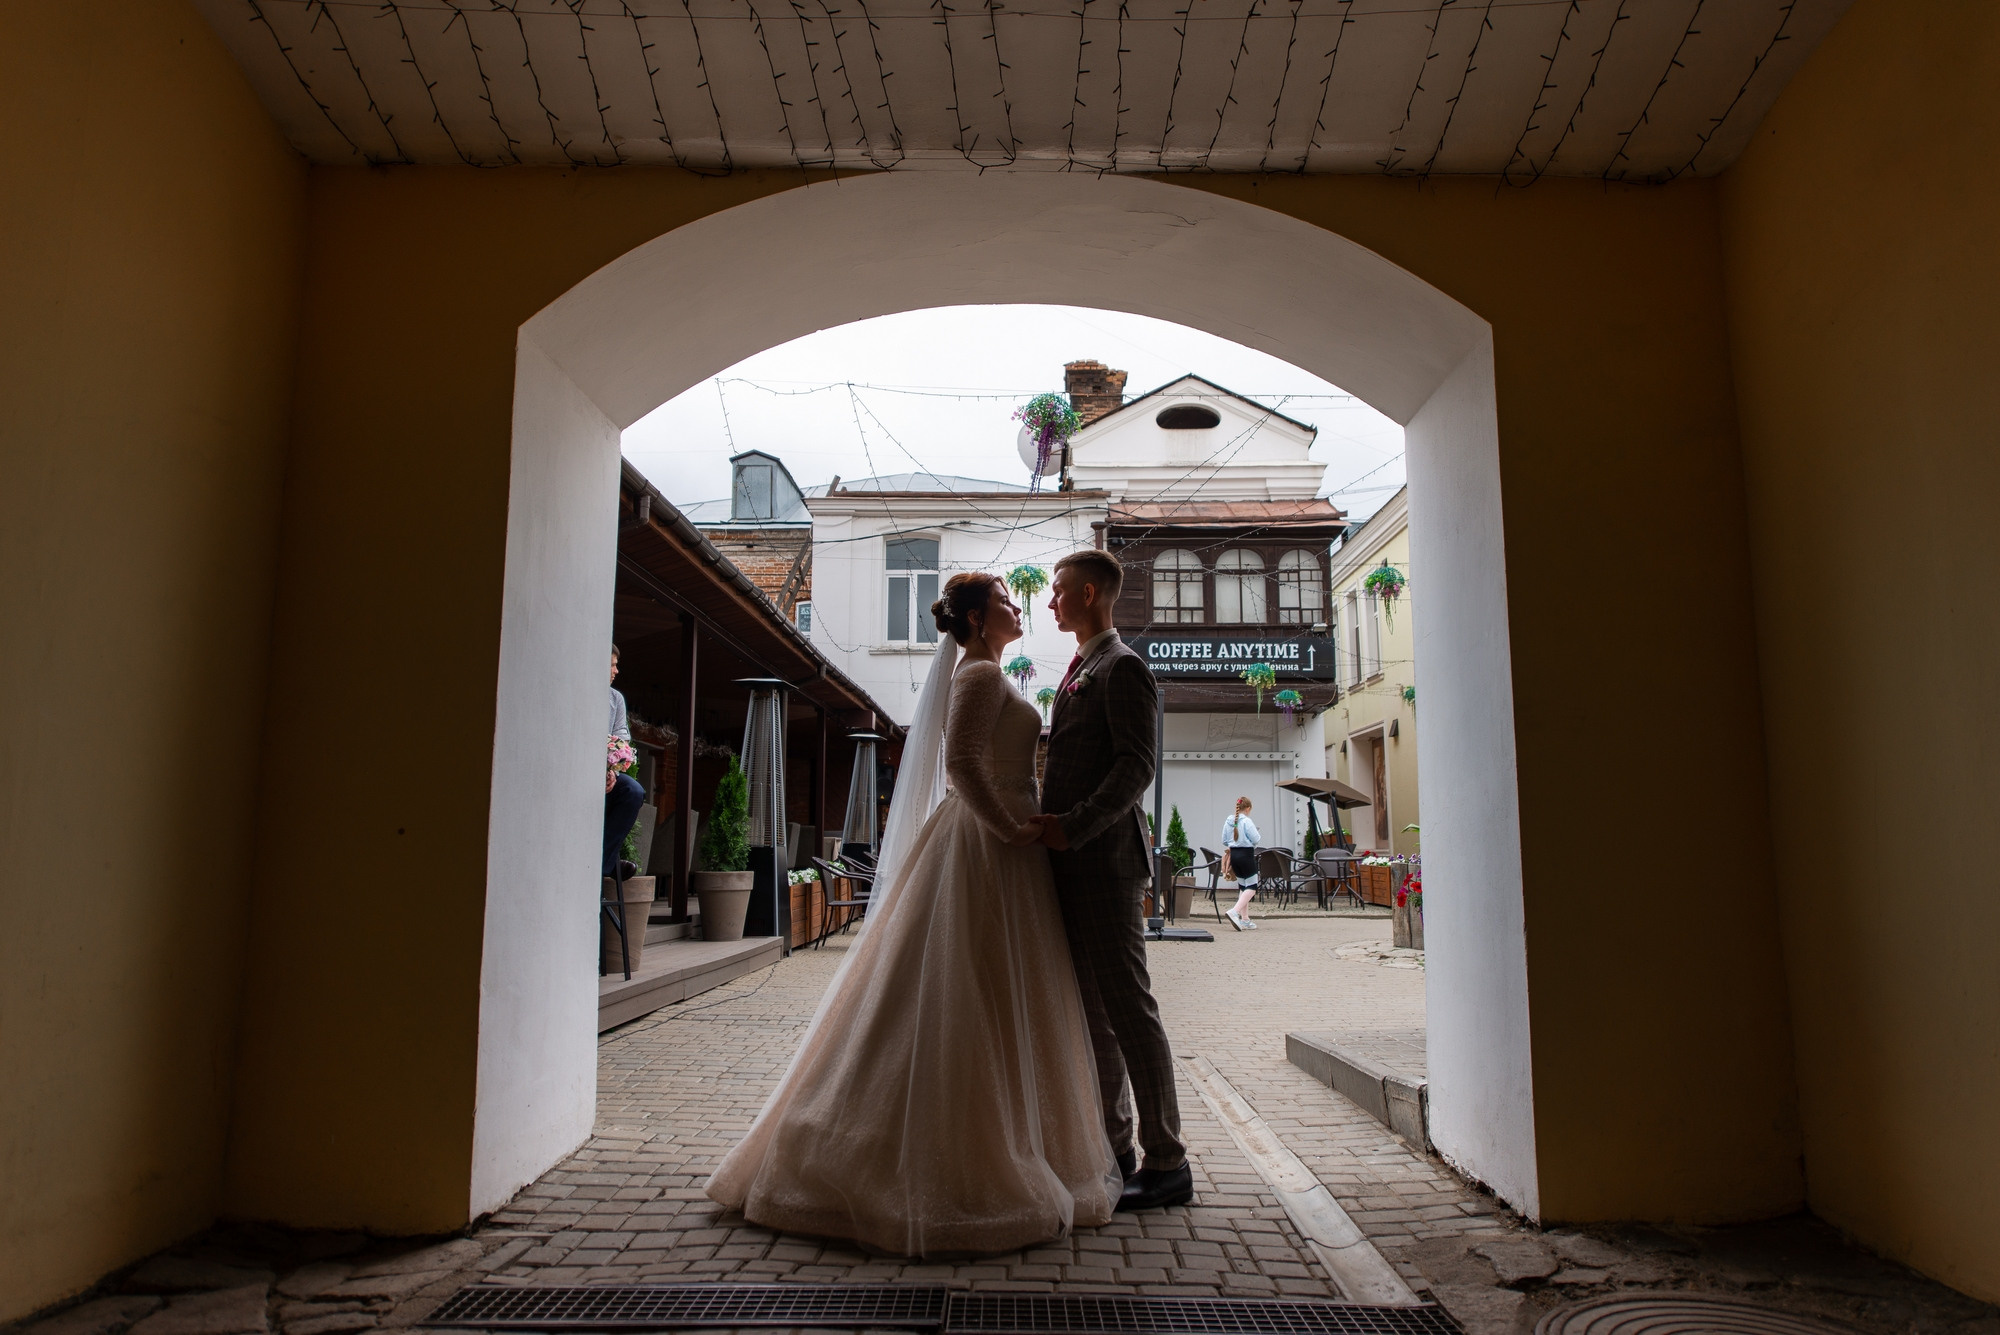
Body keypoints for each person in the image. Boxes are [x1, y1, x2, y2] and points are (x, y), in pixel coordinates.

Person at [705, 573, 1120, 1257]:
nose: (1019, 609)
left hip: (1002, 846)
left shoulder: (985, 669)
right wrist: (1009, 826)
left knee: (989, 995)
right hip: (989, 845)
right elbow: (961, 765)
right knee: (968, 994)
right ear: (981, 619)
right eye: (1008, 603)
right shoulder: (979, 677)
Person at [1034, 548, 1192, 1212]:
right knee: (1097, 1016)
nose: (1050, 602)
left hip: (1104, 862)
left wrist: (1074, 824)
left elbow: (1136, 767)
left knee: (1131, 1010)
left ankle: (1168, 1161)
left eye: (1059, 590)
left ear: (1090, 592)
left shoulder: (1123, 667)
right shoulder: (1082, 664)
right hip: (1072, 863)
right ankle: (1115, 1146)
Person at [604, 645, 644, 881]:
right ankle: (608, 863)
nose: (616, 671)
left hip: (606, 776)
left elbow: (621, 740)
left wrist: (611, 772)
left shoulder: (615, 699)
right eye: (612, 664)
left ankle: (602, 862)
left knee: (633, 791)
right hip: (576, 773)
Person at [1221, 797, 1261, 931]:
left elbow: (1224, 840)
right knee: (1253, 886)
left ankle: (1245, 919)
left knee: (1243, 886)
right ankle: (1234, 912)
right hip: (1246, 855)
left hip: (1234, 856)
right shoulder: (1247, 821)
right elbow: (1256, 838)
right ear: (1248, 808)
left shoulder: (1229, 821)